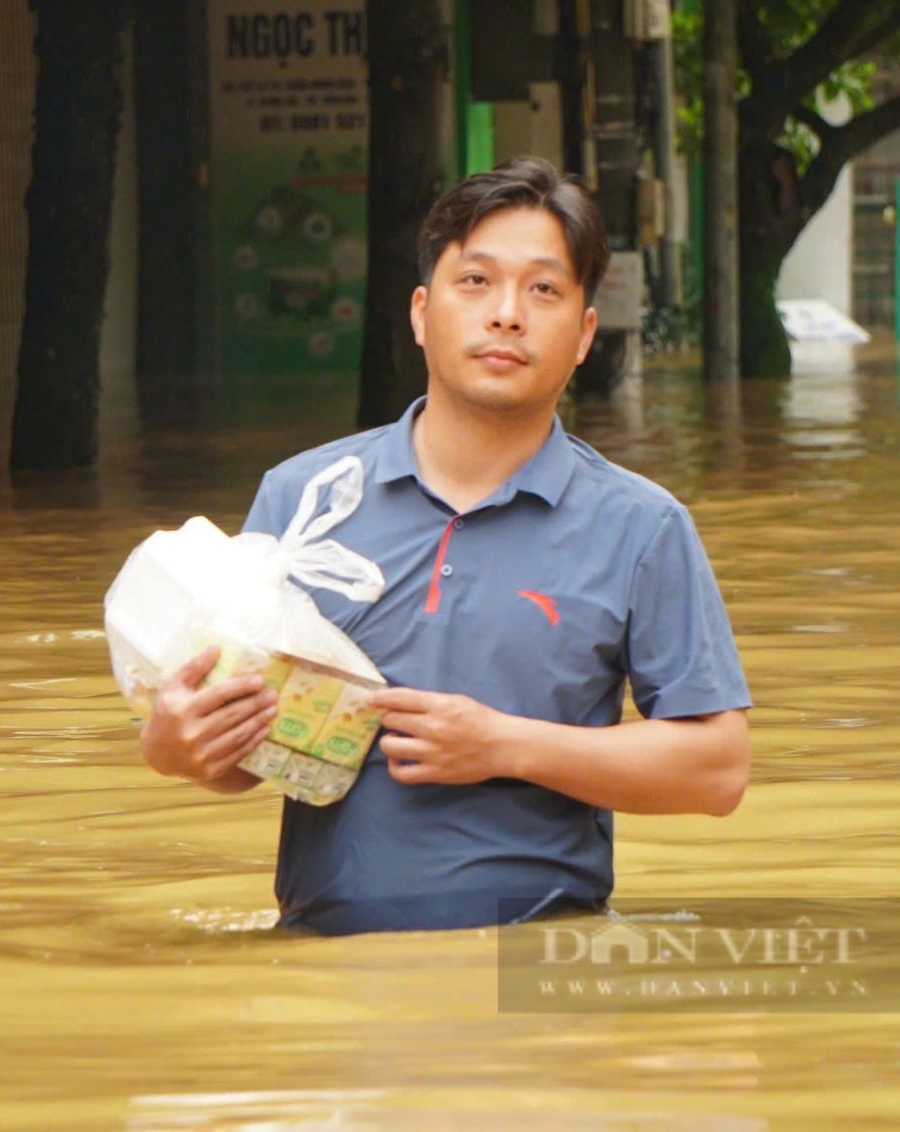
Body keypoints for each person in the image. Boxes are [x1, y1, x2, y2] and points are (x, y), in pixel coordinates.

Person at [139, 157, 751, 936]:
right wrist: (174, 747)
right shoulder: (303, 500)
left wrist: (504, 745)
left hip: (537, 965)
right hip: (326, 978)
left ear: (585, 333)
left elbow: (719, 770)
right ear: (422, 313)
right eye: (476, 282)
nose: (506, 315)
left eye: (544, 290)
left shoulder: (641, 526)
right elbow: (252, 750)